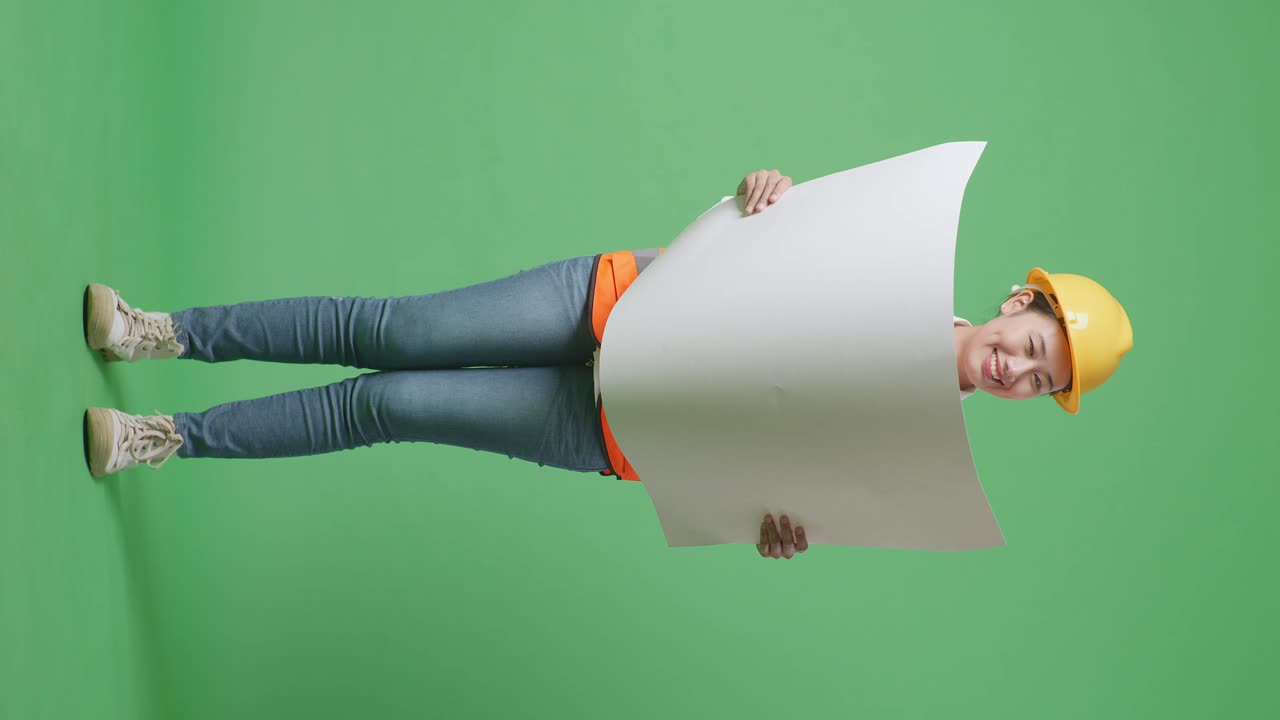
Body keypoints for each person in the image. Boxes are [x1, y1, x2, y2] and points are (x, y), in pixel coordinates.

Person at [80, 170, 1134, 560]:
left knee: (389, 405)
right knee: (389, 330)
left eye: (1039, 382)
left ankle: (163, 438)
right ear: (1014, 304)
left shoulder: (913, 454)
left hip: (615, 433)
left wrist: (770, 531)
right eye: (1033, 346)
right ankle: (162, 333)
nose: (1018, 370)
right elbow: (780, 236)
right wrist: (764, 194)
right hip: (613, 300)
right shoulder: (890, 246)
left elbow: (800, 494)